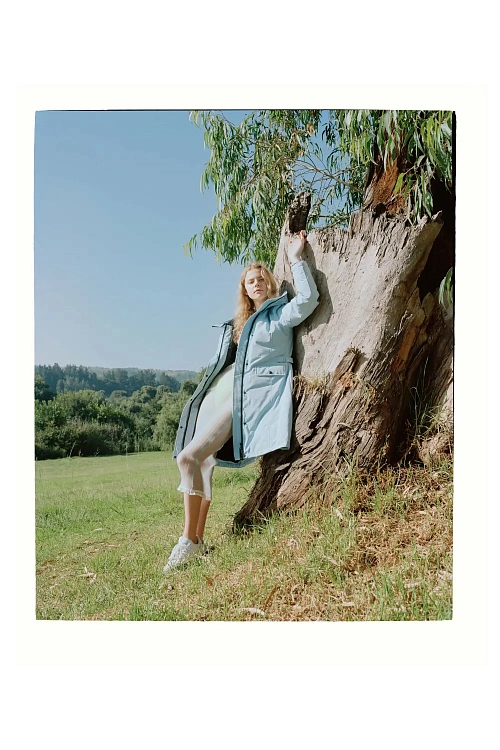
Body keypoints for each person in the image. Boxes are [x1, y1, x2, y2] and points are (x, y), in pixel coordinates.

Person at [163, 229, 319, 571]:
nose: (257, 283)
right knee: (202, 462)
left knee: (189, 458)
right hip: (229, 396)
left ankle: (187, 542)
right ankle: (197, 540)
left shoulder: (279, 315)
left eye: (261, 278)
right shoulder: (242, 325)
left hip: (252, 399)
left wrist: (296, 258)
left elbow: (309, 300)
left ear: (270, 284)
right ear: (244, 290)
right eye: (250, 281)